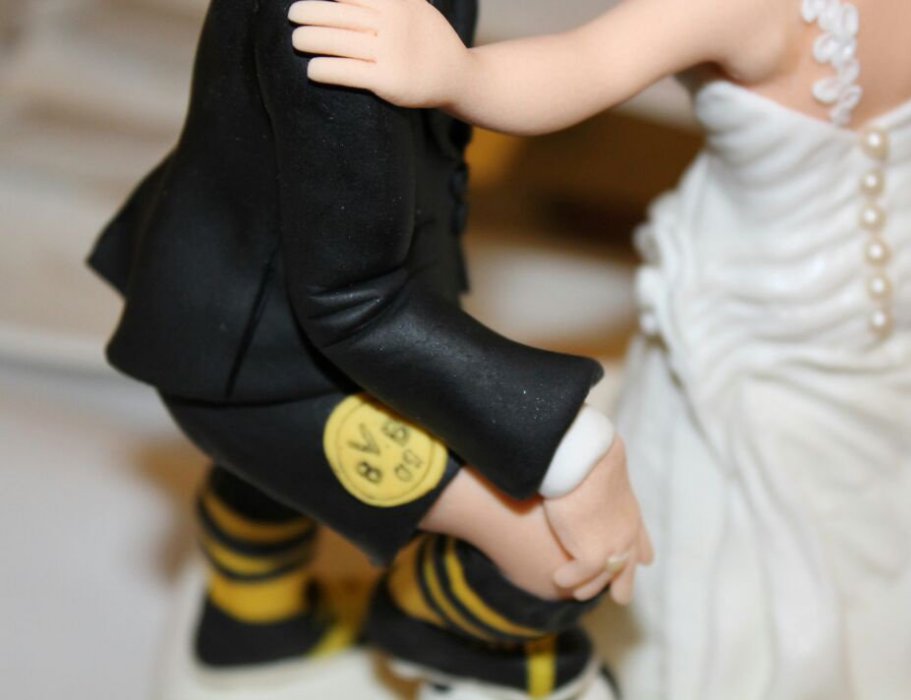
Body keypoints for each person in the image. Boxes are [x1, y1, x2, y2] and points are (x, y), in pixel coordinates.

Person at [288, 0, 911, 697]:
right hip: (904, 285)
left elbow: (584, 64)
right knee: (897, 496)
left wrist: (460, 74)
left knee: (756, 511)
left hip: (765, 314)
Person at [87, 0, 651, 697]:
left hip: (267, 310)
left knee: (277, 474)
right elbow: (356, 304)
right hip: (270, 364)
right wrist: (573, 449)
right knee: (557, 554)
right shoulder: (338, 14)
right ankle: (432, 637)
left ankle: (252, 617)